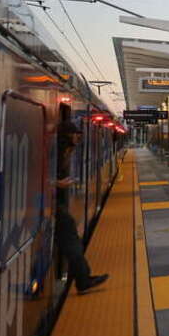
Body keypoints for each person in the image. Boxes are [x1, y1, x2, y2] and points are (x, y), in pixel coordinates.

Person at [56, 121, 109, 293]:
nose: (78, 139)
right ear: (67, 135)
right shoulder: (56, 153)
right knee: (73, 243)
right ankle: (83, 280)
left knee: (73, 242)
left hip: (54, 207)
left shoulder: (62, 152)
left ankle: (82, 278)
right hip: (52, 207)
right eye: (76, 135)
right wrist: (57, 184)